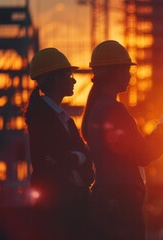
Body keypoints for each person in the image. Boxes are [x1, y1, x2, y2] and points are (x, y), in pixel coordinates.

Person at [81, 40, 163, 240]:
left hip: (106, 199)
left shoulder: (97, 109)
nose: (129, 75)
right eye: (125, 69)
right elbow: (144, 155)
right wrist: (162, 134)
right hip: (122, 202)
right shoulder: (114, 110)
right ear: (113, 73)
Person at [24, 48, 95, 240]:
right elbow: (56, 159)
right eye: (68, 75)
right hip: (56, 213)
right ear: (54, 79)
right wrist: (77, 159)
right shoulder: (42, 118)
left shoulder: (65, 121)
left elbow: (82, 164)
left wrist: (74, 160)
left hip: (69, 211)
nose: (73, 80)